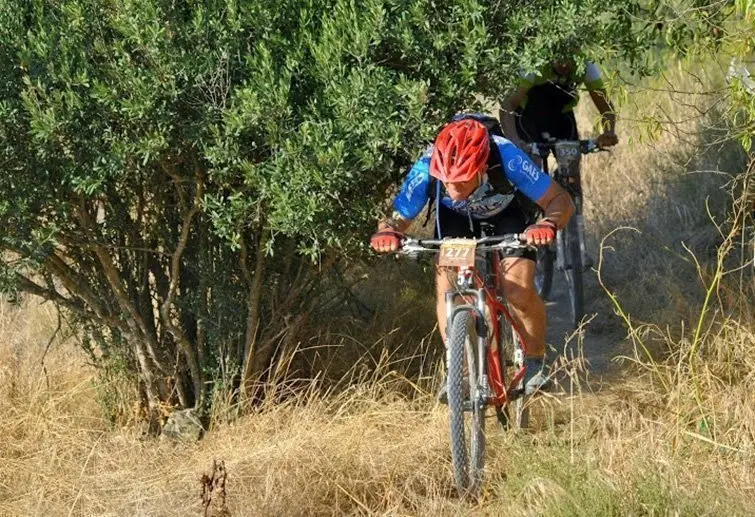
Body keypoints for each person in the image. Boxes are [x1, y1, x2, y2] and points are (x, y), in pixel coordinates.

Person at [369, 113, 574, 396]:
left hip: (508, 216)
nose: (452, 190)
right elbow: (395, 219)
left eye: (462, 181)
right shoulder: (427, 166)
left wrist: (547, 224)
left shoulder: (505, 155)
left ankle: (535, 363)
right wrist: (387, 233)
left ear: (481, 168)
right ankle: (459, 372)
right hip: (456, 221)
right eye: (446, 182)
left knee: (518, 291)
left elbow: (559, 200)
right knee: (448, 287)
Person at [499, 58, 619, 163]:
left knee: (571, 165)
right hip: (528, 117)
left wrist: (609, 132)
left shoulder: (586, 66)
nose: (564, 65)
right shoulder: (535, 64)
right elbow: (508, 104)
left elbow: (605, 107)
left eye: (569, 61)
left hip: (560, 118)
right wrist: (513, 140)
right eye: (560, 60)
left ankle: (570, 186)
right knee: (531, 164)